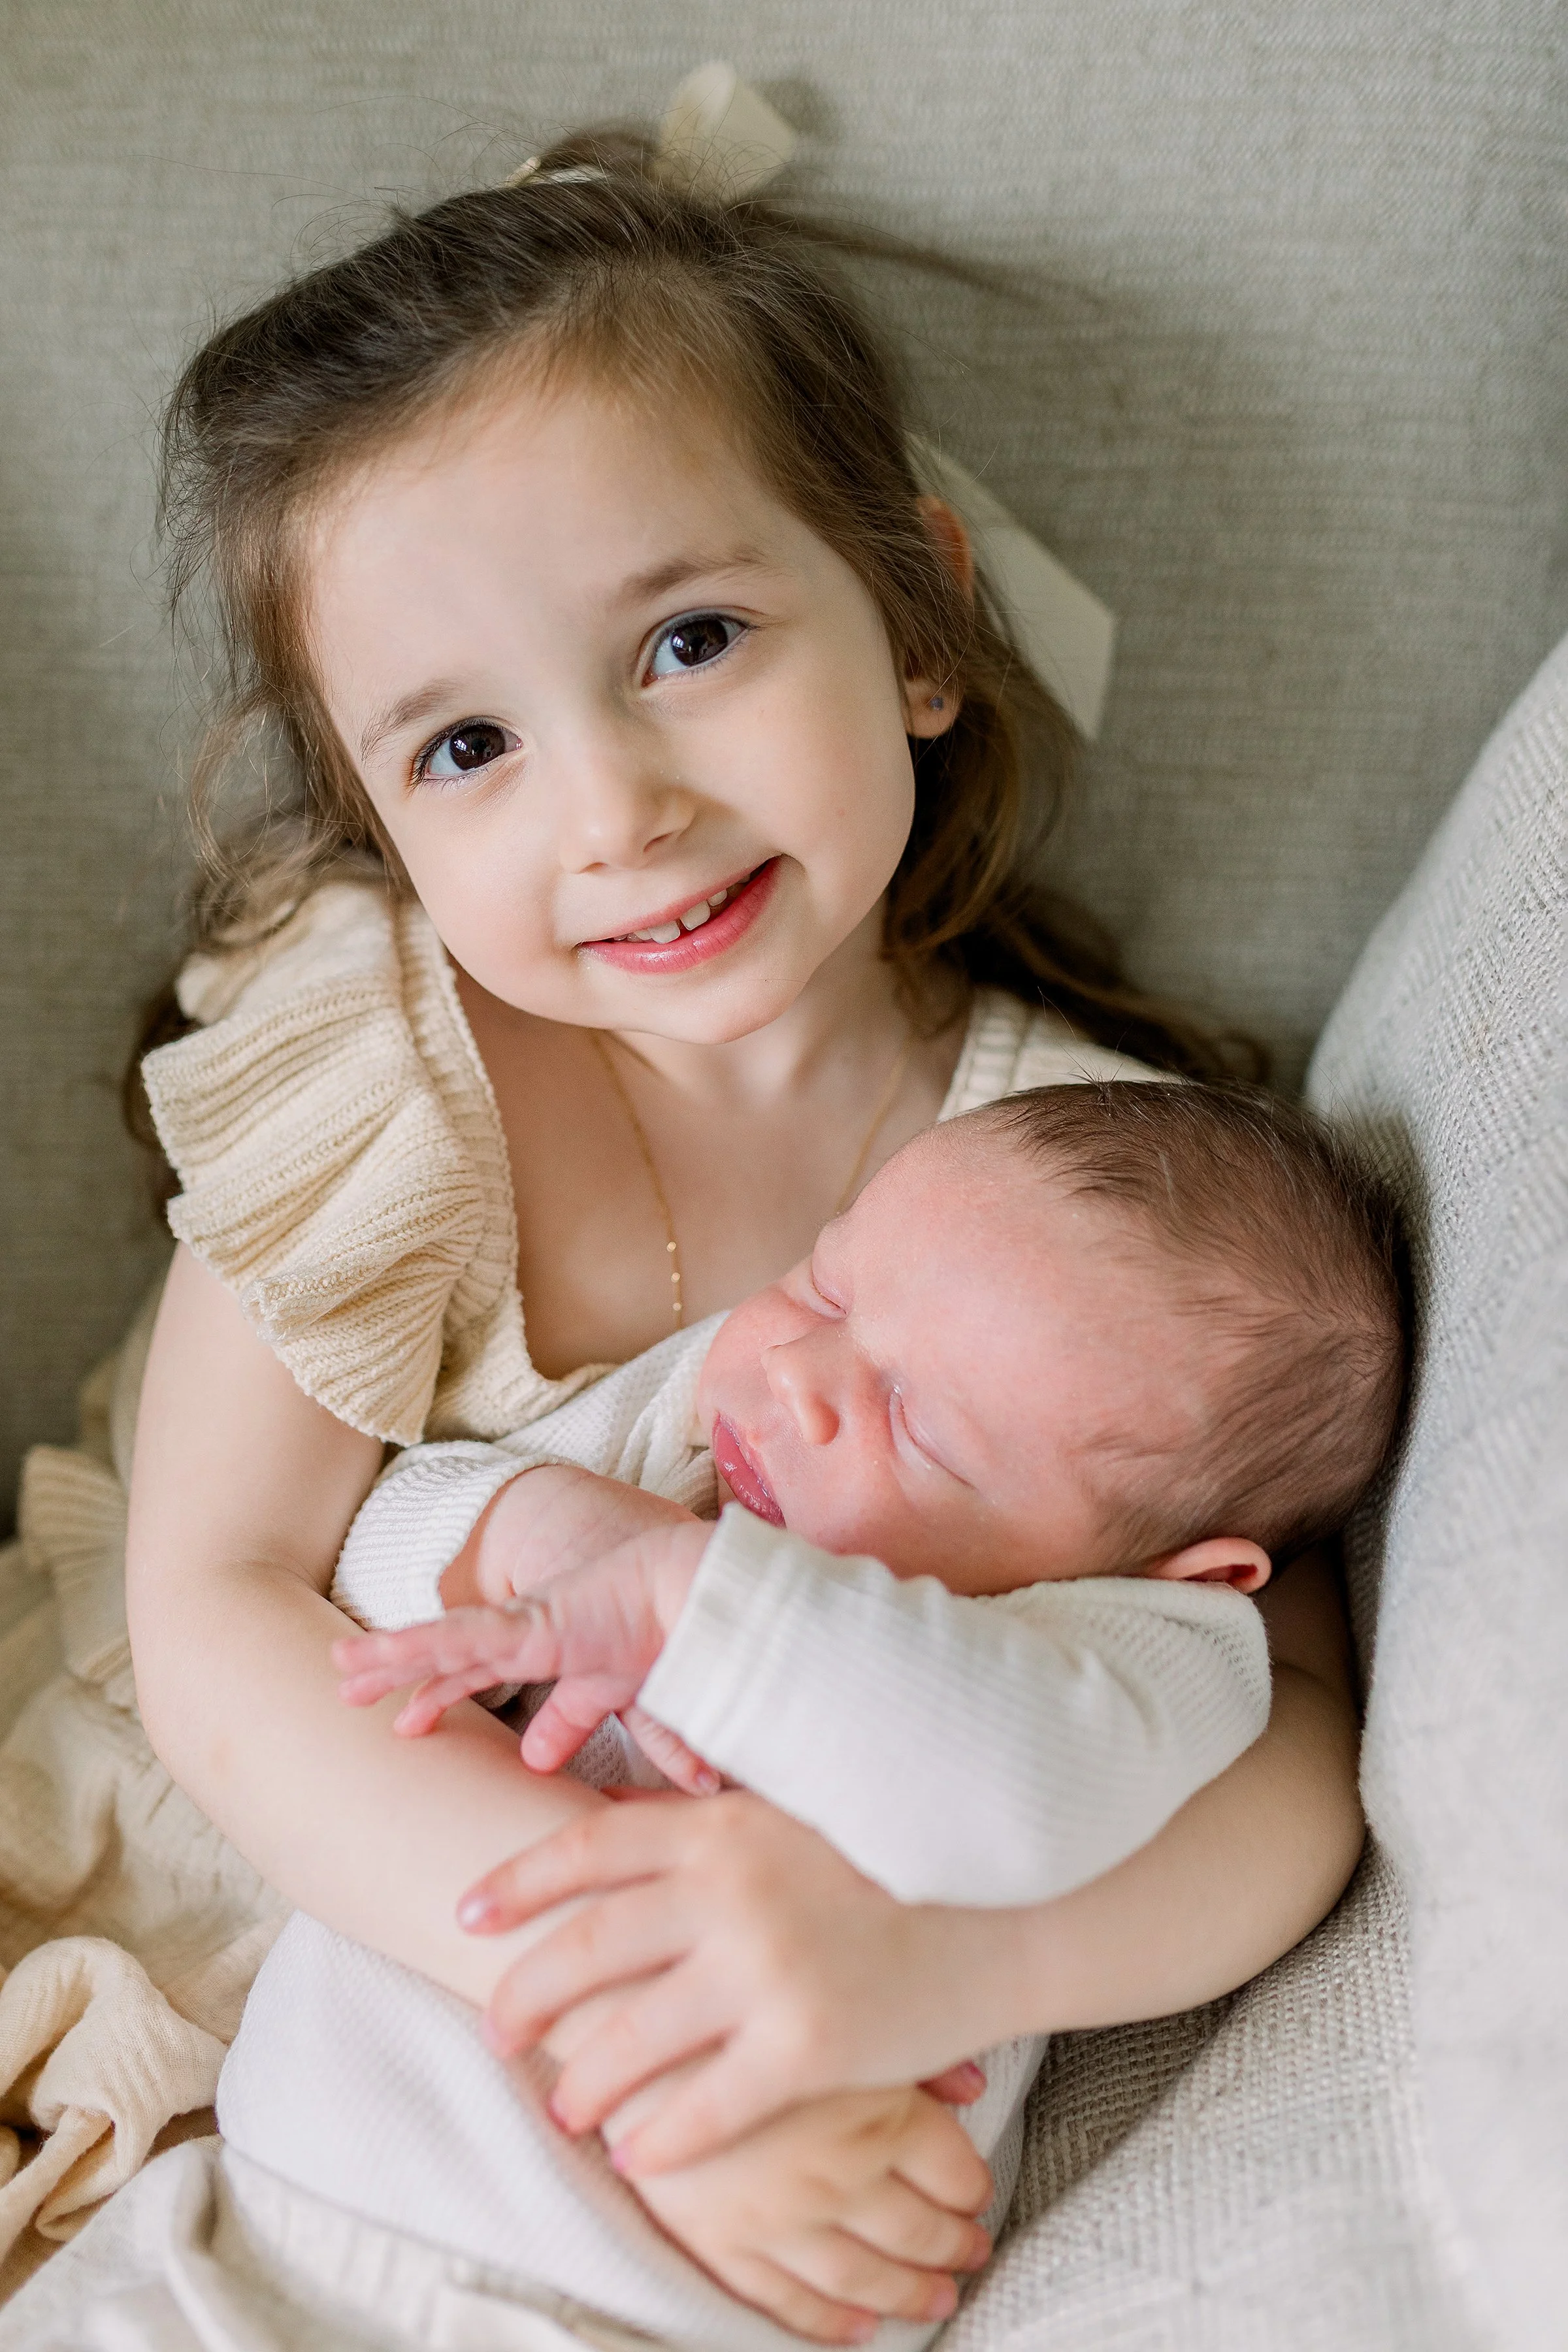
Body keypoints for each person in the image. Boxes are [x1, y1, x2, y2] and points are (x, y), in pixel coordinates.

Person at [104, 122, 1367, 2348]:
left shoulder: (1096, 1200)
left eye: (690, 639)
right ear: (386, 821)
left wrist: (935, 1967)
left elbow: (1287, 1767)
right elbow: (211, 1609)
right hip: (358, 1954)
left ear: (918, 624)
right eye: (470, 744)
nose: (615, 808)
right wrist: (636, 2022)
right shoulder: (395, 1094)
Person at [238, 1079, 1403, 2349]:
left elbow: (1010, 1791)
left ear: (1172, 1577)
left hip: (650, 2311)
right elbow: (364, 1572)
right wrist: (536, 1531)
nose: (797, 1373)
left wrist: (700, 1603)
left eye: (922, 1429)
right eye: (828, 1284)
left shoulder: (1140, 1652)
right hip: (285, 2204)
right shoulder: (705, 1427)